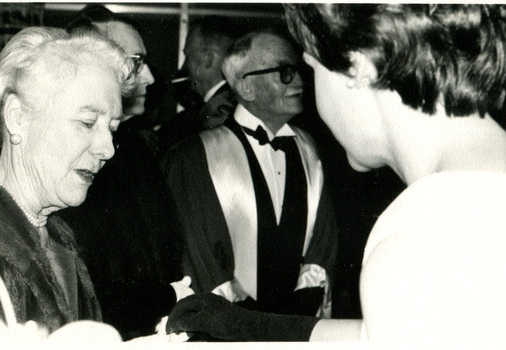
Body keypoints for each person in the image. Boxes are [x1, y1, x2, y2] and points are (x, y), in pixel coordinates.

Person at [166, 4, 506, 343]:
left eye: (312, 70)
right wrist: (251, 325)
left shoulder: (417, 236)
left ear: (358, 67)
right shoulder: (472, 197)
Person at [0, 26, 134, 332]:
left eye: (113, 128)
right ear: (17, 117)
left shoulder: (60, 237)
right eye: (87, 122)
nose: (107, 149)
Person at [163, 29, 338, 319]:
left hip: (298, 326)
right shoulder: (194, 158)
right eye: (284, 72)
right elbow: (201, 259)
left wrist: (296, 317)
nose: (298, 81)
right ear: (246, 88)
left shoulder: (310, 149)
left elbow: (322, 244)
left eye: (296, 70)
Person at [59, 5, 193, 340]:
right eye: (136, 62)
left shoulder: (136, 148)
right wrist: (171, 296)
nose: (148, 77)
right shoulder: (70, 160)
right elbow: (85, 293)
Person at [159, 16, 241, 151]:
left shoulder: (219, 115)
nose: (184, 66)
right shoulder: (230, 103)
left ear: (208, 59)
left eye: (188, 56)